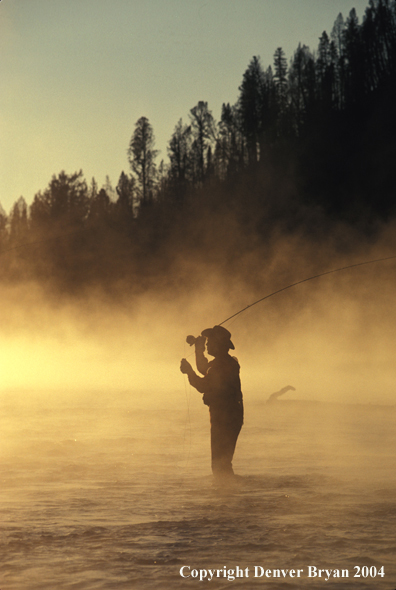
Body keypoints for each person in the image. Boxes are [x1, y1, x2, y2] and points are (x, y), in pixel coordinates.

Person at [180, 325, 243, 479]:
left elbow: (204, 385)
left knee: (220, 464)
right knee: (222, 463)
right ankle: (230, 493)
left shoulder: (222, 366)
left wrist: (189, 371)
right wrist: (198, 349)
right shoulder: (222, 363)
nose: (207, 344)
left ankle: (227, 495)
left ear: (219, 344)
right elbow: (204, 369)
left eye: (210, 342)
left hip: (225, 418)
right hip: (228, 416)